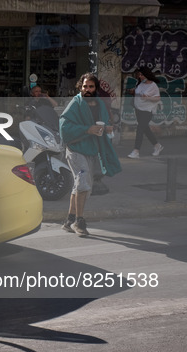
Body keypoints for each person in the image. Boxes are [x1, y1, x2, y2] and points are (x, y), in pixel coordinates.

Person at [59, 73, 121, 236]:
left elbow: (104, 122)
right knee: (84, 184)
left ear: (95, 88)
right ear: (80, 87)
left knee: (80, 186)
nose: (87, 89)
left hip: (91, 149)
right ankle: (79, 222)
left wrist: (106, 128)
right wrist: (87, 129)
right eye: (85, 86)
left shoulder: (99, 104)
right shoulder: (75, 103)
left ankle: (69, 220)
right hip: (76, 149)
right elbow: (64, 128)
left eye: (91, 86)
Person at [127, 66, 163, 159]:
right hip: (138, 109)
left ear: (146, 75)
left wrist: (147, 98)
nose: (140, 76)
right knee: (145, 129)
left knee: (140, 129)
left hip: (147, 110)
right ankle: (157, 145)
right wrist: (132, 92)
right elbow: (138, 93)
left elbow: (157, 98)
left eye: (142, 75)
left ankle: (136, 151)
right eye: (139, 75)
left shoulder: (153, 85)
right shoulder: (140, 84)